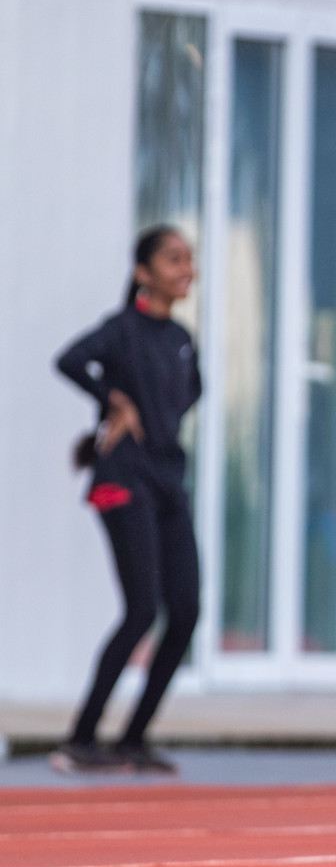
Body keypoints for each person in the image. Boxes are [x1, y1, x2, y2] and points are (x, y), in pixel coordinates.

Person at [50, 225, 202, 776]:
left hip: (166, 480)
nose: (186, 268)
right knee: (142, 609)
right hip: (122, 478)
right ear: (143, 273)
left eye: (190, 260)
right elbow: (67, 360)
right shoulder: (121, 331)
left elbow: (188, 396)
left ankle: (132, 739)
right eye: (173, 259)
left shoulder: (183, 340)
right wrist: (111, 401)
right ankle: (80, 740)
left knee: (184, 611)